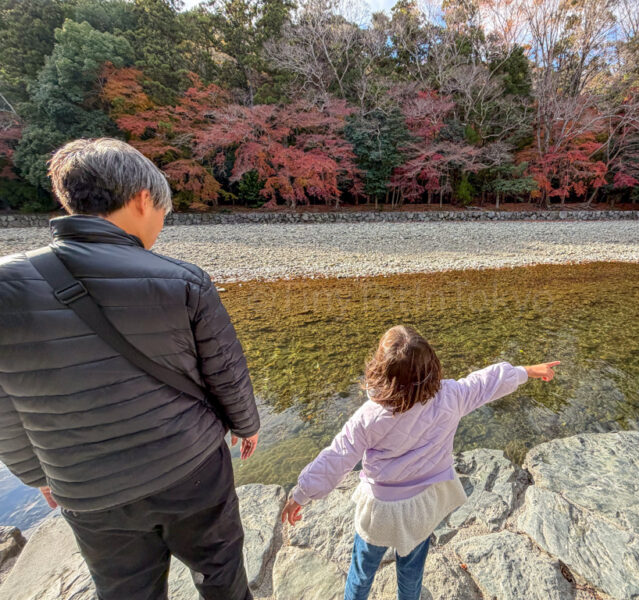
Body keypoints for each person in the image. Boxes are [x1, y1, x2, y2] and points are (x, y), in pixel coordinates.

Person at [0, 138, 260, 600]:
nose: (160, 225)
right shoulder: (182, 280)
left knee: (125, 590)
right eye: (163, 213)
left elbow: (3, 402)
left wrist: (36, 474)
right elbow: (225, 370)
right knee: (220, 571)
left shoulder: (6, 286)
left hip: (86, 486)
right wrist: (246, 425)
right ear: (143, 200)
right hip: (191, 467)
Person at [280, 325, 559, 600]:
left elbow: (336, 457)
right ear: (432, 368)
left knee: (362, 571)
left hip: (379, 510)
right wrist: (527, 371)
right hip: (422, 507)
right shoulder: (451, 396)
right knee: (411, 572)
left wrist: (301, 494)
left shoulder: (369, 417)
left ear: (380, 371)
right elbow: (487, 382)